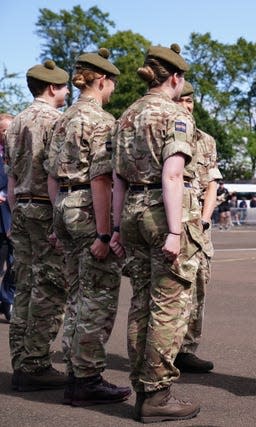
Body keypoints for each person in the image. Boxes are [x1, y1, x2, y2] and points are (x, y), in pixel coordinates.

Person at [112, 43, 201, 423]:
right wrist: (175, 231)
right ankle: (157, 395)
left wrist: (115, 227)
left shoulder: (127, 115)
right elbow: (173, 174)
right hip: (161, 212)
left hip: (132, 210)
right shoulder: (174, 114)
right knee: (168, 306)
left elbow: (116, 178)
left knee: (141, 304)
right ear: (176, 78)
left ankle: (143, 387)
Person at [45, 48, 130, 406]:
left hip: (64, 206)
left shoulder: (62, 118)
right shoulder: (101, 121)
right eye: (111, 83)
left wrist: (56, 219)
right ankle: (87, 379)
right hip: (87, 210)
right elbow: (100, 179)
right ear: (102, 80)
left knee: (77, 298)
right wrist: (104, 231)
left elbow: (51, 175)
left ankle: (75, 375)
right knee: (97, 298)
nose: (111, 90)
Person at [5, 60, 70, 392]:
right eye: (64, 86)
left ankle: (21, 361)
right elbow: (55, 173)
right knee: (50, 289)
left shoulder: (15, 123)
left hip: (22, 208)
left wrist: (16, 211)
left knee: (26, 287)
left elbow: (12, 176)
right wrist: (59, 222)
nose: (68, 91)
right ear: (52, 88)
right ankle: (36, 363)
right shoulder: (55, 121)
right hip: (45, 207)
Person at [173, 81, 222, 373]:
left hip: (198, 226)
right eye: (181, 101)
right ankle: (163, 350)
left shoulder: (205, 140)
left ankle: (186, 349)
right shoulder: (164, 133)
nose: (186, 107)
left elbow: (212, 183)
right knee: (170, 290)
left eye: (190, 102)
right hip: (171, 221)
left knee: (198, 286)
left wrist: (204, 218)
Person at [0, 113, 14, 321]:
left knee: (16, 264)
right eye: (3, 130)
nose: (7, 134)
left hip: (16, 218)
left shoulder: (22, 153)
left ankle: (7, 299)